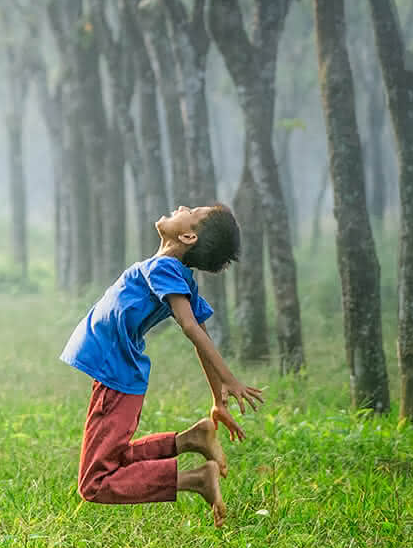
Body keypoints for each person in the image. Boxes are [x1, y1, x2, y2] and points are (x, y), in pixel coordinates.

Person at [59, 203, 263, 526]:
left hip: (116, 375)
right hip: (117, 373)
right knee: (114, 458)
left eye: (192, 211)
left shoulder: (165, 268)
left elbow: (192, 328)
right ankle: (192, 439)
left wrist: (228, 379)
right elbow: (201, 333)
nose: (182, 206)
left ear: (188, 236)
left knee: (95, 482)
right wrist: (217, 400)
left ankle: (197, 479)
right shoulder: (174, 273)